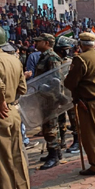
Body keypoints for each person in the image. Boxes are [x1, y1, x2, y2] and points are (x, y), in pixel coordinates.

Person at [64, 32, 95, 175]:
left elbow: (71, 83)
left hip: (89, 101)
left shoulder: (80, 59)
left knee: (91, 134)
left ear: (81, 45)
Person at [0, 27, 33, 189]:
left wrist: (0, 100)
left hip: (1, 112)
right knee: (18, 156)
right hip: (13, 111)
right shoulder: (14, 60)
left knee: (2, 163)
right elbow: (22, 88)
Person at [34, 33, 62, 170]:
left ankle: (54, 156)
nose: (36, 43)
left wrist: (47, 93)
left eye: (38, 41)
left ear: (46, 43)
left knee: (50, 128)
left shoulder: (52, 58)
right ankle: (56, 152)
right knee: (48, 127)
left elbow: (56, 82)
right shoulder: (44, 57)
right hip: (44, 98)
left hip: (50, 99)